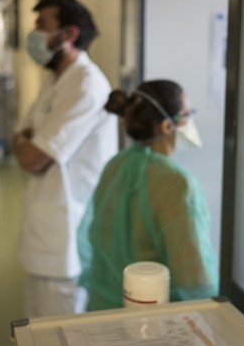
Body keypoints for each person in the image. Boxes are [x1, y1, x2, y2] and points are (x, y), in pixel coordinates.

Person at [11, 0, 118, 317]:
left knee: (61, 330)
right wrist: (26, 144)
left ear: (68, 34)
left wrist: (27, 145)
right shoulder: (56, 79)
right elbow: (20, 135)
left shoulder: (86, 86)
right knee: (35, 328)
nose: (35, 34)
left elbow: (31, 158)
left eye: (42, 25)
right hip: (45, 222)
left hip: (68, 233)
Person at [77, 79, 218, 311]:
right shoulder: (177, 184)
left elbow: (91, 241)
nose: (190, 120)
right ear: (166, 126)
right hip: (151, 321)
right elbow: (194, 279)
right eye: (187, 114)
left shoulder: (115, 165)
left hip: (102, 311)